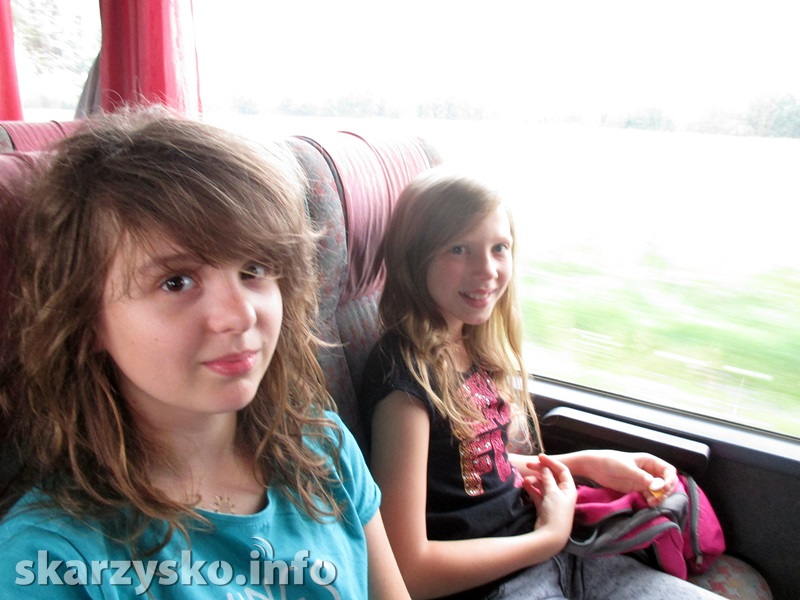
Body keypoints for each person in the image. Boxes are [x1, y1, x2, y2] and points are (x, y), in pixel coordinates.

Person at [0, 109, 410, 599]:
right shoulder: (53, 557)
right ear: (86, 320)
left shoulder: (324, 449)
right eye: (176, 282)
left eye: (255, 269)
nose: (240, 315)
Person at [360, 169, 723, 599]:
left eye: (499, 248)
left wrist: (588, 463)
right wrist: (547, 538)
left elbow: (471, 469)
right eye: (459, 249)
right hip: (495, 583)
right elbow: (407, 570)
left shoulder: (469, 343)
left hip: (556, 555)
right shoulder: (404, 382)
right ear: (414, 259)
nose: (487, 270)